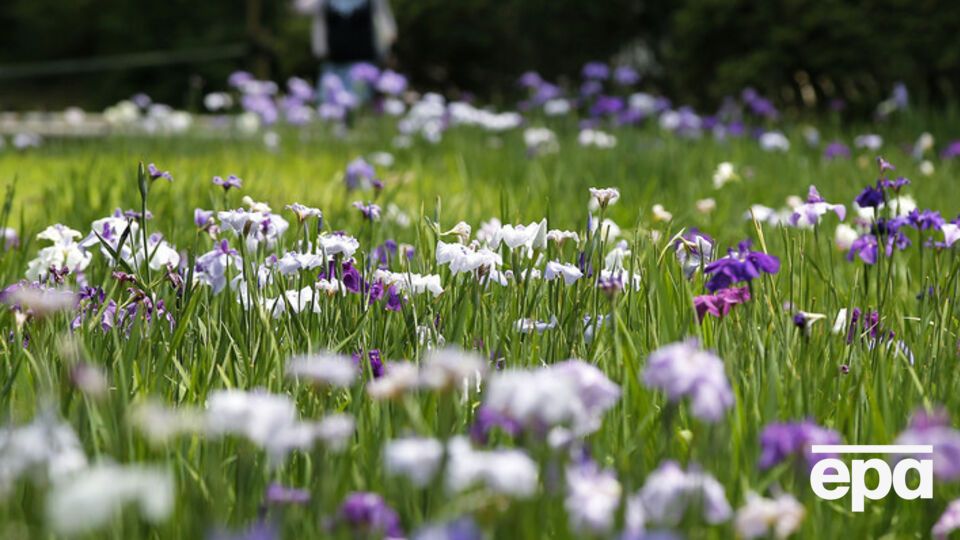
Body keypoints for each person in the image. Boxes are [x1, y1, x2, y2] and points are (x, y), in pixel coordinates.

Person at [294, 0, 397, 101]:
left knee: (360, 109)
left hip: (363, 67)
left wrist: (387, 50)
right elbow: (300, 7)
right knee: (329, 109)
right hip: (333, 66)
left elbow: (388, 27)